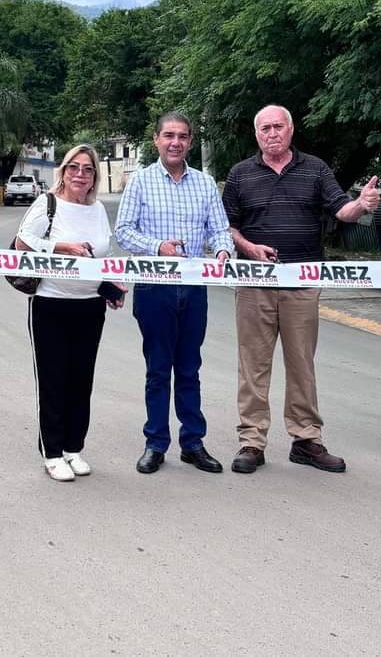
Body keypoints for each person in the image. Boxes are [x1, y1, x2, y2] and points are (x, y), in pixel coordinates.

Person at [222, 105, 380, 475]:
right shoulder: (241, 174)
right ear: (256, 134)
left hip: (302, 283)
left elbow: (342, 211)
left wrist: (361, 204)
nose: (272, 133)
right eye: (264, 128)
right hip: (255, 282)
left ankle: (306, 440)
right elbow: (226, 227)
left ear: (291, 130)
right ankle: (251, 441)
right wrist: (249, 248)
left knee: (301, 364)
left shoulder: (315, 168)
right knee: (253, 365)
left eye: (278, 127)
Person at [116, 112, 233, 475]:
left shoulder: (205, 183)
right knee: (157, 369)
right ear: (156, 140)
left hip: (194, 288)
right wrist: (158, 247)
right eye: (169, 135)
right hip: (154, 288)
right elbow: (123, 231)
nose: (175, 142)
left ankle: (193, 443)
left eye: (182, 136)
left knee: (189, 368)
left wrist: (223, 250)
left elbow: (220, 229)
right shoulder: (141, 182)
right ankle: (155, 443)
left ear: (190, 142)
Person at [15, 145, 127, 482]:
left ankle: (72, 448)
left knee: (82, 380)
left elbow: (100, 256)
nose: (80, 174)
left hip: (89, 306)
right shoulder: (47, 204)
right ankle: (51, 453)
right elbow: (23, 242)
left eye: (88, 169)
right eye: (74, 167)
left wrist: (108, 287)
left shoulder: (95, 210)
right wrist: (60, 247)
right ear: (63, 171)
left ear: (94, 176)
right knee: (53, 379)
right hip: (51, 302)